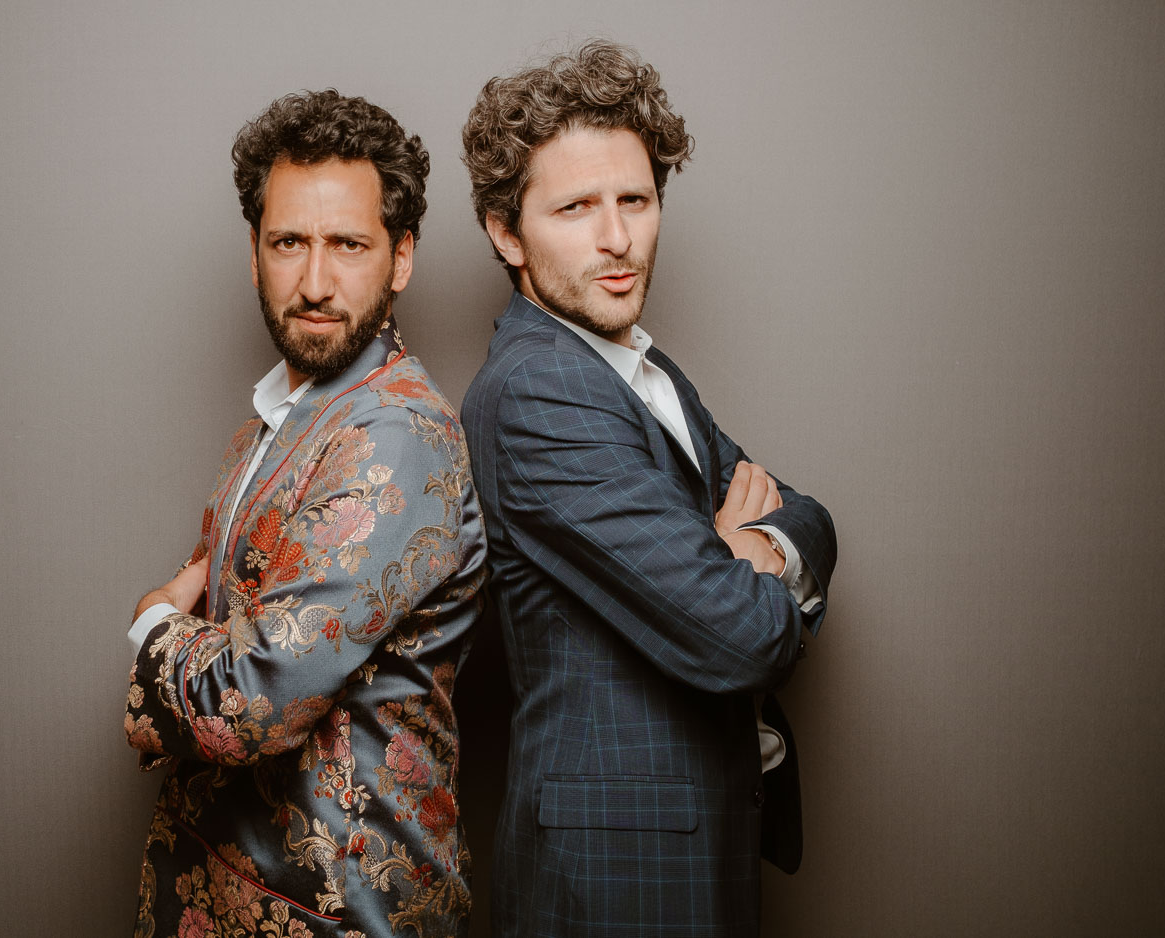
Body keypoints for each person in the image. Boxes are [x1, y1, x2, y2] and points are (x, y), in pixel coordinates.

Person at [459, 41, 837, 937]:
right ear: (506, 232)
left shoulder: (636, 367)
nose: (617, 237)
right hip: (611, 879)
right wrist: (729, 558)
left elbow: (807, 512)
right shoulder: (537, 391)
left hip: (685, 846)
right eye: (576, 208)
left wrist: (759, 549)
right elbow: (741, 637)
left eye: (635, 199)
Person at [123, 89, 485, 938]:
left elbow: (254, 696)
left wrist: (151, 629)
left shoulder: (397, 434)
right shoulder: (282, 415)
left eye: (348, 245)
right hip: (225, 890)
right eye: (290, 242)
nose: (315, 282)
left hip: (346, 914)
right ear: (254, 253)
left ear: (400, 258)